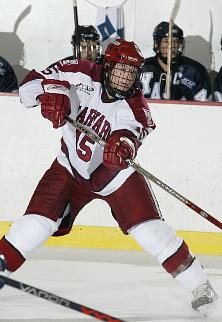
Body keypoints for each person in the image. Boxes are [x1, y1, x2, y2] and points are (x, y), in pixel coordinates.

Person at [0, 39, 218, 317]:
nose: (125, 78)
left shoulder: (136, 107)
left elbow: (131, 134)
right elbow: (29, 86)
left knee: (152, 232)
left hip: (115, 177)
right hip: (69, 167)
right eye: (120, 70)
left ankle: (201, 285)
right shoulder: (79, 71)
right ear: (107, 66)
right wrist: (49, 95)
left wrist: (123, 146)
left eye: (131, 72)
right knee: (36, 224)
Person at [141, 22, 211, 101]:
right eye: (167, 41)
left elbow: (205, 108)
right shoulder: (142, 68)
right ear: (157, 44)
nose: (172, 45)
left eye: (176, 41)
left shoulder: (195, 71)